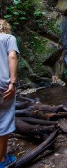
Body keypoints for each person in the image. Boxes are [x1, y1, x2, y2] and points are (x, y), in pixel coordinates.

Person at [0, 19, 19, 168]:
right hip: (2, 85)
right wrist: (13, 82)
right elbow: (12, 56)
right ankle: (2, 160)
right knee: (4, 119)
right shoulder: (8, 38)